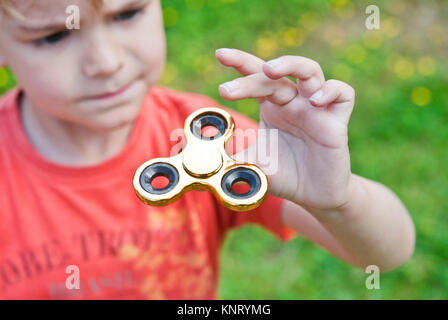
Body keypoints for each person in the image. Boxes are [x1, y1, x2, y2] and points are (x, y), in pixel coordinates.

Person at [0, 0, 415, 299]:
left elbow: (387, 253)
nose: (105, 61)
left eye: (126, 13)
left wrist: (336, 198)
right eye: (53, 35)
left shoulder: (205, 139)